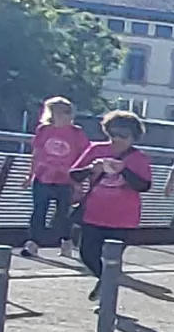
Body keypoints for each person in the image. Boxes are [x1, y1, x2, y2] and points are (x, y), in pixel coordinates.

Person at [66, 111, 157, 285]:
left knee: (112, 258)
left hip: (123, 219)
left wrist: (123, 169)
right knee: (87, 254)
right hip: (93, 214)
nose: (117, 139)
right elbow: (74, 175)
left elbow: (144, 185)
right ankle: (106, 282)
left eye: (123, 135)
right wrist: (92, 169)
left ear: (133, 137)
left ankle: (106, 292)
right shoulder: (97, 150)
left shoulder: (139, 158)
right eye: (113, 134)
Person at [25, 96, 88, 254]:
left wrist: (80, 180)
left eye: (68, 112)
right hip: (43, 177)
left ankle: (66, 241)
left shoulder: (76, 133)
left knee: (63, 214)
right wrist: (30, 174)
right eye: (61, 112)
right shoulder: (44, 130)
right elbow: (36, 153)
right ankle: (33, 243)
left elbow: (85, 155)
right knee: (39, 211)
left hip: (66, 180)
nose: (65, 116)